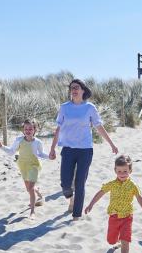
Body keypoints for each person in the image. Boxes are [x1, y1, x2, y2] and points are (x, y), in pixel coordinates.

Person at [49, 78, 119, 220]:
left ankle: (76, 215)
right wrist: (52, 149)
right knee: (65, 184)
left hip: (85, 150)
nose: (73, 90)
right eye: (72, 88)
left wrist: (111, 144)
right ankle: (71, 199)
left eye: (76, 88)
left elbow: (99, 127)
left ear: (83, 90)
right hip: (68, 149)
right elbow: (58, 129)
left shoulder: (90, 108)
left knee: (80, 183)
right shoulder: (64, 107)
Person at [85, 155, 142, 253]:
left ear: (130, 171)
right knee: (111, 240)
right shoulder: (111, 184)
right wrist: (91, 204)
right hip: (114, 216)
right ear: (115, 171)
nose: (122, 174)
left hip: (127, 217)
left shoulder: (133, 186)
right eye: (119, 171)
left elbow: (140, 199)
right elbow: (100, 193)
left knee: (125, 240)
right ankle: (118, 240)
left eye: (125, 171)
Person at [0, 119, 48, 217]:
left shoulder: (37, 142)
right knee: (29, 189)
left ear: (35, 130)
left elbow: (41, 154)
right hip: (23, 166)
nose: (28, 131)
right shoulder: (19, 140)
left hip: (34, 165)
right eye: (26, 129)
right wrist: (2, 146)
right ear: (23, 130)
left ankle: (32, 212)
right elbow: (11, 151)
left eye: (30, 129)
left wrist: (50, 156)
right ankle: (38, 193)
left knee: (31, 189)